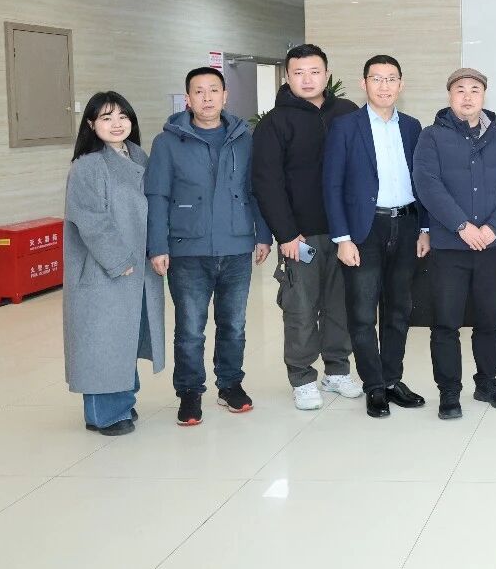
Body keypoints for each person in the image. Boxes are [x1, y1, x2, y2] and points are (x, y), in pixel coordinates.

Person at [145, 67, 272, 426]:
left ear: (225, 96)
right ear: (187, 99)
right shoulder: (167, 142)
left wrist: (263, 234)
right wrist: (157, 246)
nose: (206, 97)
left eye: (213, 90)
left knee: (234, 324)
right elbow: (157, 196)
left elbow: (257, 189)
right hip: (188, 249)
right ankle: (189, 391)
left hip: (236, 247)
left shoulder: (244, 138)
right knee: (190, 328)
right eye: (198, 91)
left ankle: (230, 384)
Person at [252, 43, 362, 410]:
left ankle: (337, 369)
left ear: (327, 74)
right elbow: (267, 182)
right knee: (300, 308)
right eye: (298, 73)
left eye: (315, 72)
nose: (308, 79)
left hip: (344, 233)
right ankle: (302, 377)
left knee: (340, 305)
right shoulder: (274, 123)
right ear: (287, 77)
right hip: (300, 236)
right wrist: (285, 234)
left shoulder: (347, 113)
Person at [323, 55, 430, 419]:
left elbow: (423, 181)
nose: (384, 86)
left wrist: (425, 229)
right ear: (364, 83)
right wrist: (342, 238)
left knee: (399, 310)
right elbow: (332, 184)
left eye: (391, 79)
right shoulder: (345, 127)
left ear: (401, 84)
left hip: (406, 225)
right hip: (363, 230)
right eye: (376, 78)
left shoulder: (412, 127)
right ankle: (373, 385)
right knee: (363, 312)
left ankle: (392, 379)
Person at [414, 67, 496, 420]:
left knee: (489, 319)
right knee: (446, 321)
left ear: (484, 95)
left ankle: (487, 382)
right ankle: (449, 390)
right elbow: (427, 184)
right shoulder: (431, 137)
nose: (468, 96)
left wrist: (493, 227)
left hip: (491, 246)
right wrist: (461, 225)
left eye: (475, 89)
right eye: (460, 89)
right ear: (450, 95)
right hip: (449, 247)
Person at [63, 92, 165, 436]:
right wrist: (119, 260)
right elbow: (91, 220)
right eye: (106, 118)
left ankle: (122, 401)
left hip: (137, 270)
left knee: (126, 338)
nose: (117, 124)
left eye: (123, 116)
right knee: (102, 342)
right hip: (104, 270)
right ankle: (104, 414)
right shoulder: (88, 166)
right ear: (91, 124)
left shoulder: (138, 155)